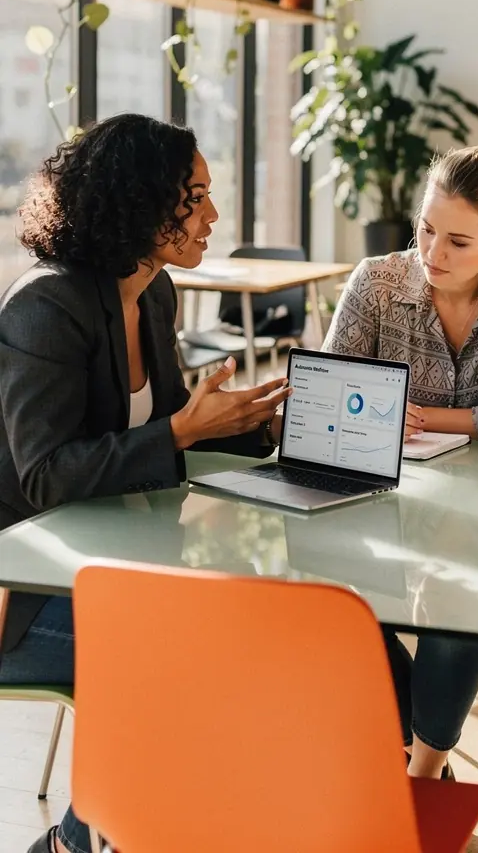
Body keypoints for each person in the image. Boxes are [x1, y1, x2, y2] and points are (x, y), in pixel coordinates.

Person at [0, 115, 292, 853]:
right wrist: (186, 431)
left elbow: (158, 427)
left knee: (261, 633)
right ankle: (75, 842)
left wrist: (250, 426)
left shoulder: (152, 292)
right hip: (20, 593)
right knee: (192, 661)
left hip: (105, 563)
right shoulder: (46, 306)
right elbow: (45, 475)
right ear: (135, 201)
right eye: (195, 195)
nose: (213, 215)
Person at [325, 138, 478, 779]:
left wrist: (424, 415)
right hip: (376, 496)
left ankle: (424, 774)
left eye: (458, 242)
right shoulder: (378, 284)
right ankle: (403, 750)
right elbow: (326, 400)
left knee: (455, 611)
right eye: (426, 229)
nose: (433, 253)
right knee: (336, 610)